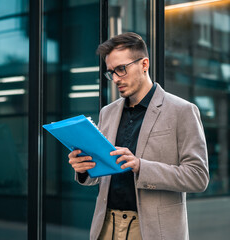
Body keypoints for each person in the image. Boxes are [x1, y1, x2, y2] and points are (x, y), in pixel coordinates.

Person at [68, 32, 209, 240]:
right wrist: (83, 169)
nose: (115, 79)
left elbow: (198, 176)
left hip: (152, 231)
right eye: (111, 72)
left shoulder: (182, 110)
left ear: (144, 64)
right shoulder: (107, 112)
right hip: (105, 227)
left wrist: (141, 166)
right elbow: (99, 176)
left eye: (121, 69)